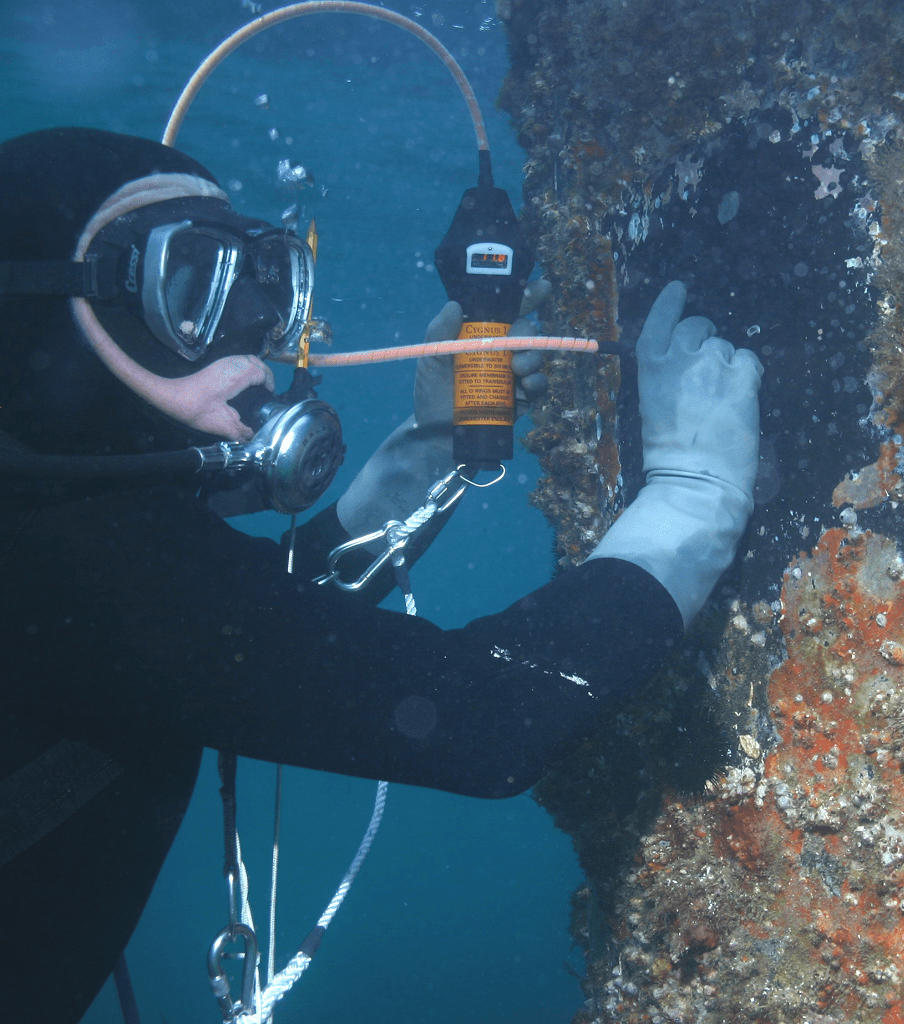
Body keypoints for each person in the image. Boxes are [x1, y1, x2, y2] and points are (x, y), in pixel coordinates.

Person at [0, 127, 763, 1023]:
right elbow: (487, 719)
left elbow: (251, 627)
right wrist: (692, 499)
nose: (250, 342)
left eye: (265, 286)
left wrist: (427, 449)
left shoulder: (70, 549)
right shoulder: (68, 563)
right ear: (42, 319)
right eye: (187, 288)